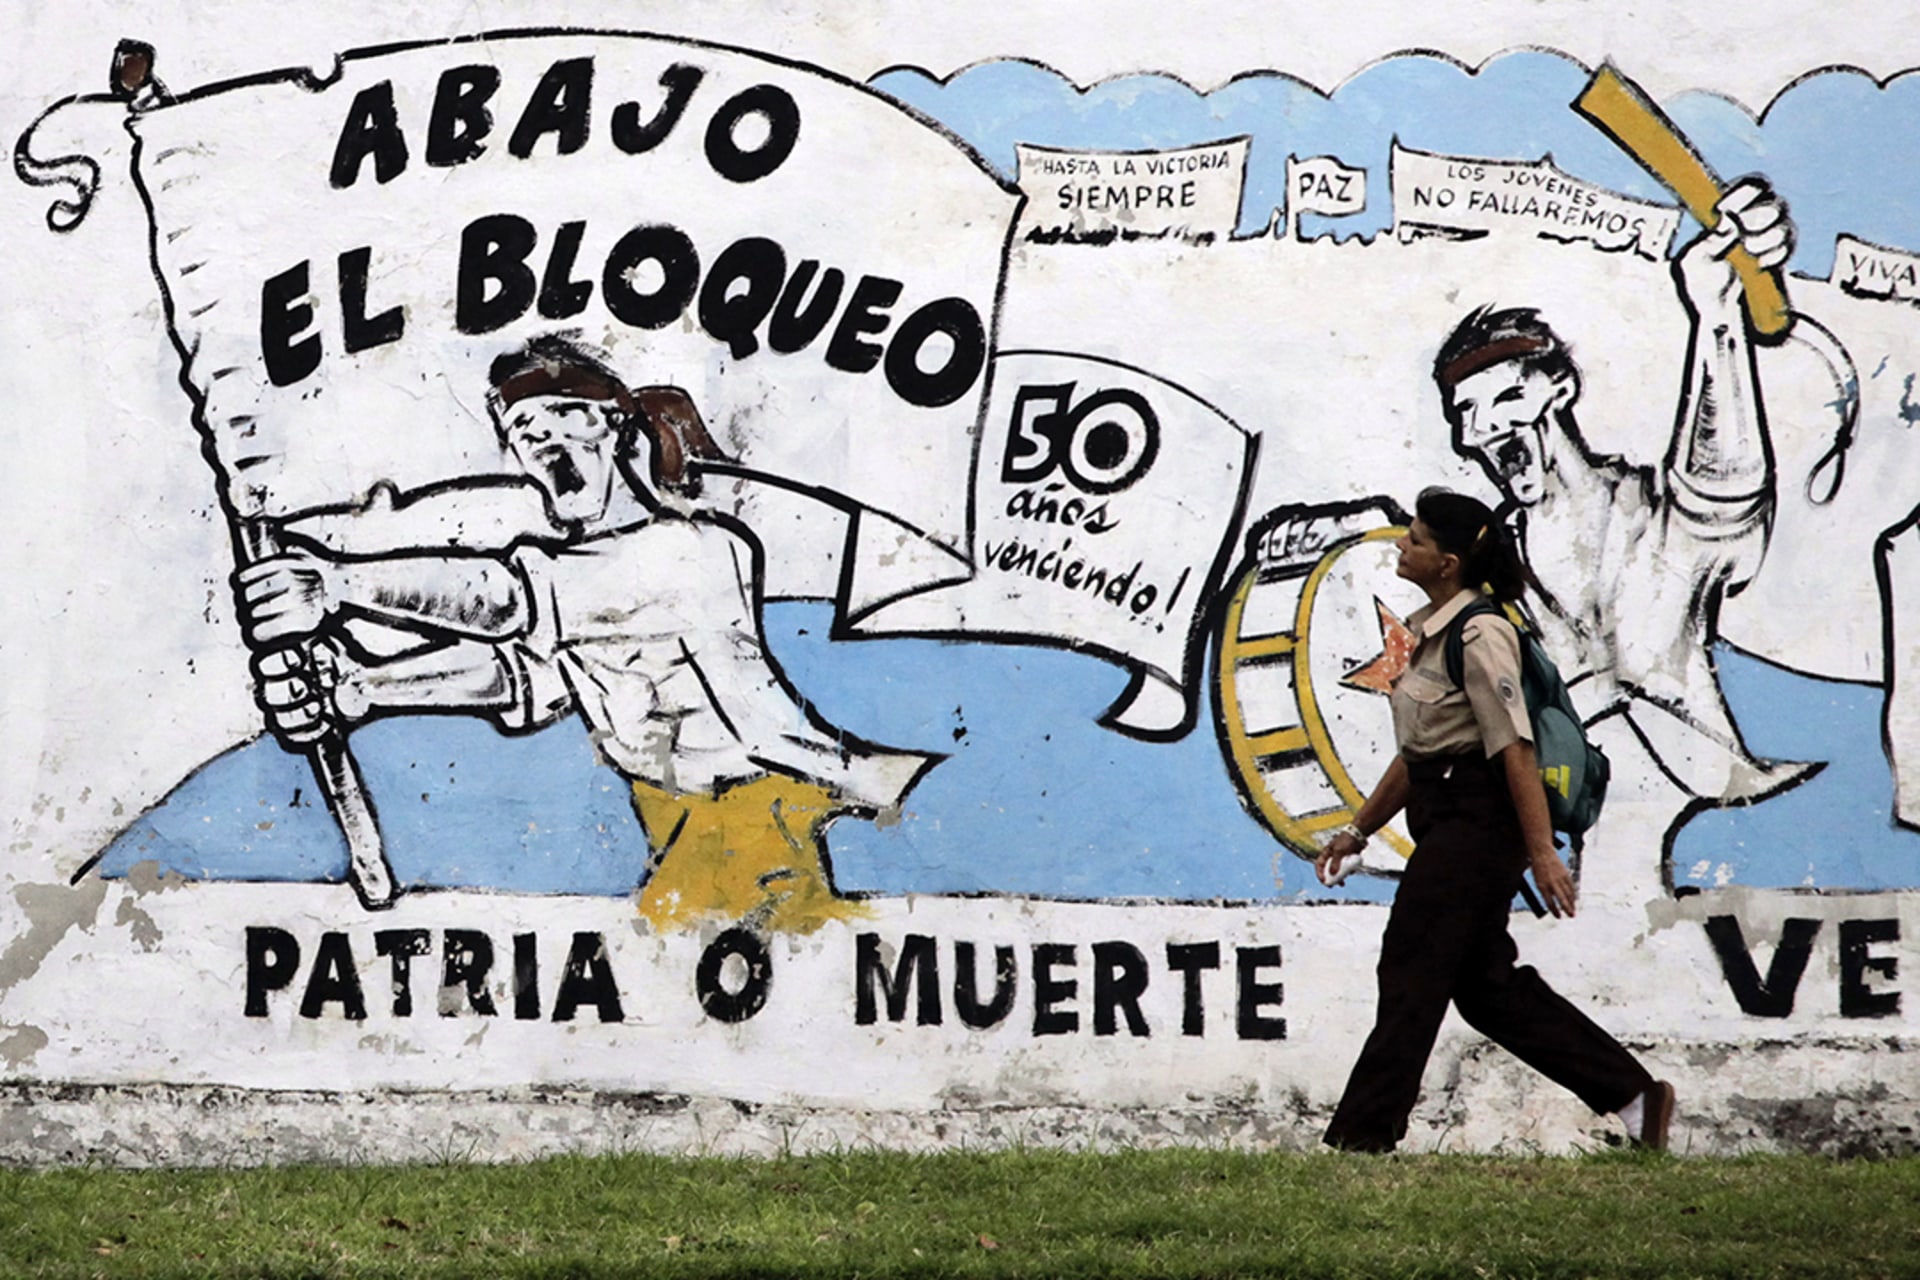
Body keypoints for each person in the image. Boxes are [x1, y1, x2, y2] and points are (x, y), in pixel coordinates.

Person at [235, 334, 935, 933]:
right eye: (524, 430)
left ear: (613, 425)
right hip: (680, 821)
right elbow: (523, 678)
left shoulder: (692, 549)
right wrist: (362, 688)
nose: (542, 442)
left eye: (562, 417)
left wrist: (339, 585)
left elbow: (508, 599)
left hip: (768, 811)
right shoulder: (579, 594)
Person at [1316, 487, 1673, 1153]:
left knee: (1411, 966)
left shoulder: (1481, 634)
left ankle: (1363, 1136)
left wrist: (1541, 851)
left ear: (1448, 563)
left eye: (1417, 540)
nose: (1403, 546)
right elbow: (1420, 752)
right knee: (1486, 988)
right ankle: (1633, 1096)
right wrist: (1359, 829)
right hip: (1446, 814)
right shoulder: (1430, 631)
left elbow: (1515, 749)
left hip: (1478, 822)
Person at [1437, 178, 1813, 803]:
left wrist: (1717, 315)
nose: (1482, 428)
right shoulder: (1487, 563)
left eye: (1507, 397)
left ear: (1560, 389)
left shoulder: (1650, 522)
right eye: (1465, 412)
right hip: (1575, 829)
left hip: (1711, 802)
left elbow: (1723, 492)